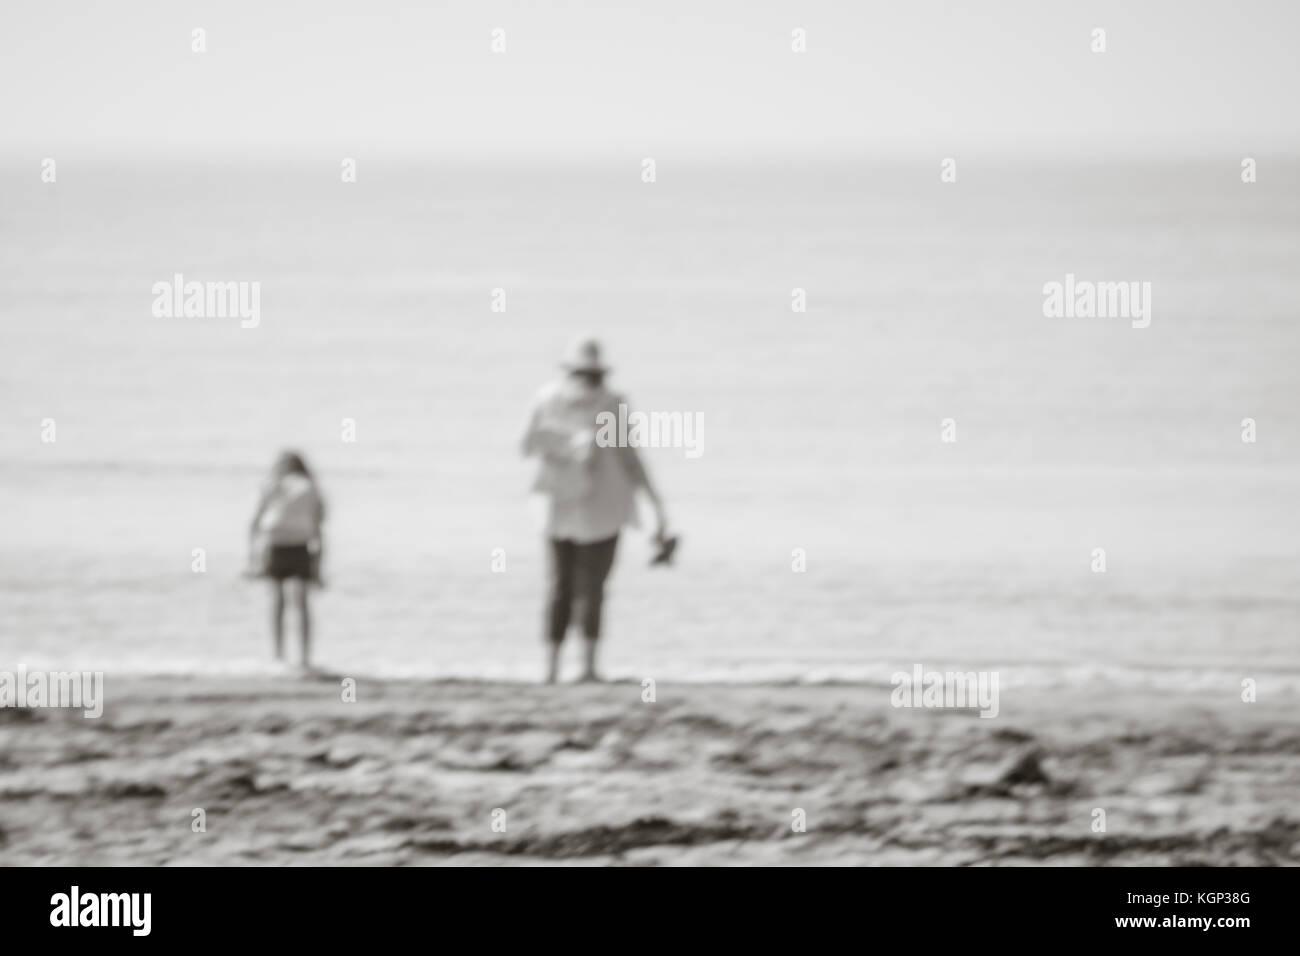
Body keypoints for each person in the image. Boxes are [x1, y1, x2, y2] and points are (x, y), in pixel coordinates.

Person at [521, 338, 669, 683]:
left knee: (560, 586)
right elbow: (630, 461)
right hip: (602, 509)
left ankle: (552, 669)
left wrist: (563, 444)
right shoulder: (610, 404)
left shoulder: (549, 399)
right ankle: (584, 668)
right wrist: (657, 508)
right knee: (591, 588)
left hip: (556, 507)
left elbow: (527, 446)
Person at [248, 451, 325, 668]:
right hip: (301, 546)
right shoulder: (310, 488)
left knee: (277, 603)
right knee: (301, 604)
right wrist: (318, 567)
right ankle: (304, 658)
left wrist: (252, 560)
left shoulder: (270, 485)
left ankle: (278, 656)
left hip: (275, 544)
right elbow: (318, 528)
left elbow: (254, 523)